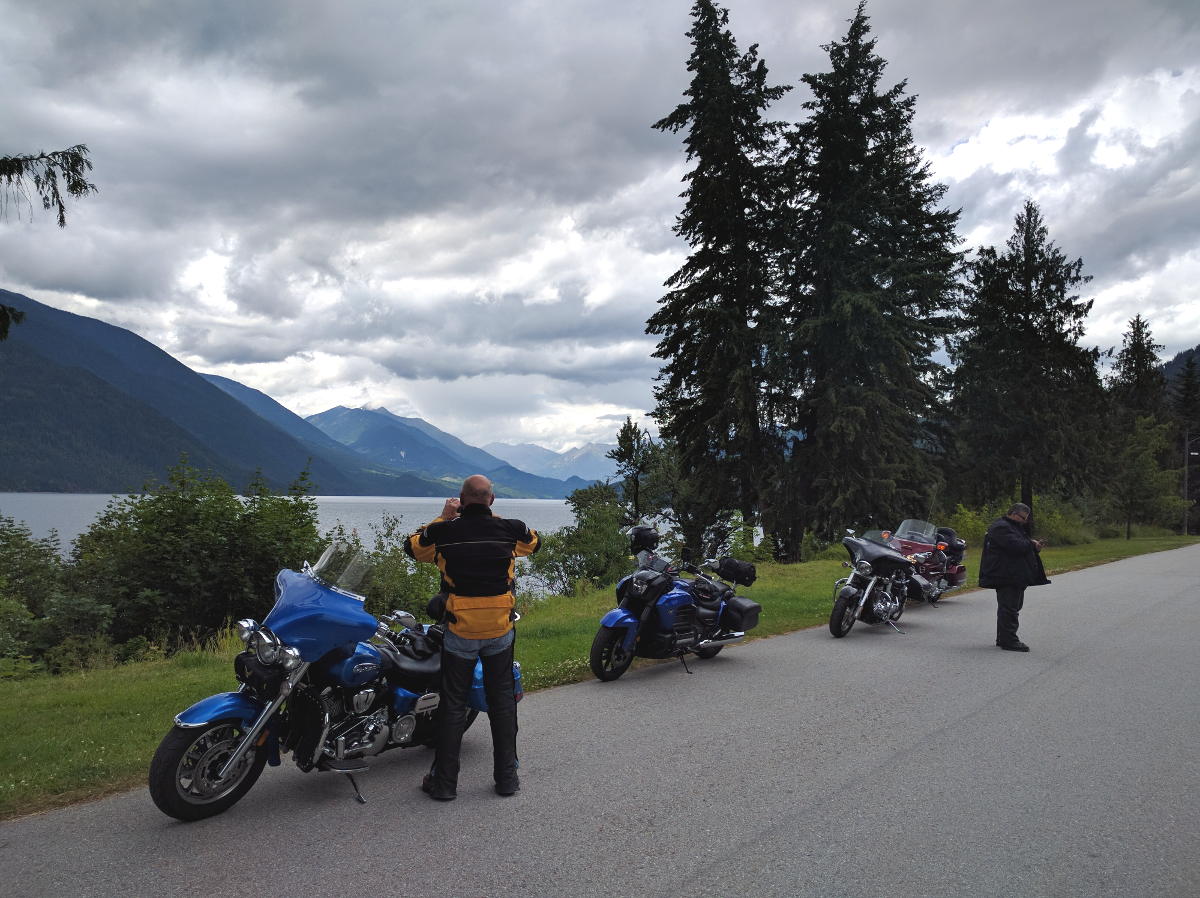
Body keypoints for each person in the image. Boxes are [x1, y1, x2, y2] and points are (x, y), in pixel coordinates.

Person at [404, 474, 540, 800]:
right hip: (499, 631)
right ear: (491, 501)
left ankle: (444, 784)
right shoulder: (510, 529)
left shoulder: (443, 533)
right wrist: (492, 517)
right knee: (502, 703)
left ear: (461, 502)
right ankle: (507, 780)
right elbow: (534, 543)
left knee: (453, 705)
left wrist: (444, 516)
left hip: (460, 631)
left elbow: (413, 547)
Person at [978, 502, 1050, 652]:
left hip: (1013, 574)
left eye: (1026, 519)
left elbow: (1021, 545)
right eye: (1022, 518)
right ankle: (1009, 640)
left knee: (1011, 607)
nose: (1024, 521)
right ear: (1013, 513)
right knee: (1010, 608)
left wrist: (1033, 546)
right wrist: (1031, 544)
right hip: (1005, 574)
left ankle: (1003, 637)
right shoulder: (1001, 527)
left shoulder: (1013, 527)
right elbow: (1016, 546)